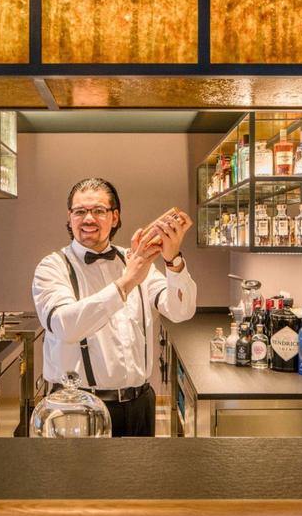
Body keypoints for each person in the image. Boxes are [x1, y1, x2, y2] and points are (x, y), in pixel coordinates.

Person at [32, 178, 197, 437]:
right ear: (70, 217)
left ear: (115, 217)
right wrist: (126, 282)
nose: (88, 218)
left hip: (139, 405)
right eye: (80, 211)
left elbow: (181, 310)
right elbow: (65, 326)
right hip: (76, 410)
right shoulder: (52, 267)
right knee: (76, 479)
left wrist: (173, 260)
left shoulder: (134, 260)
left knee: (135, 478)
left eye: (98, 211)